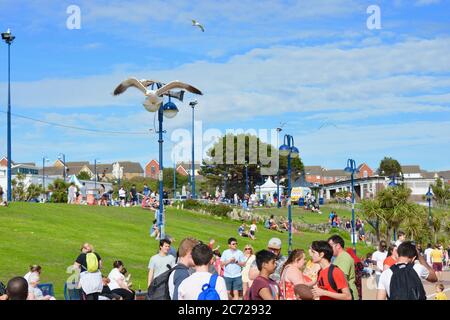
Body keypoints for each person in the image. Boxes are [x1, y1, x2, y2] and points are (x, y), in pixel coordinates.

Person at [327, 235, 359, 300]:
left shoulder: (344, 258)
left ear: (338, 246)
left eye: (330, 246)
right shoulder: (338, 258)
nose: (329, 249)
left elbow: (342, 277)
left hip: (349, 294)